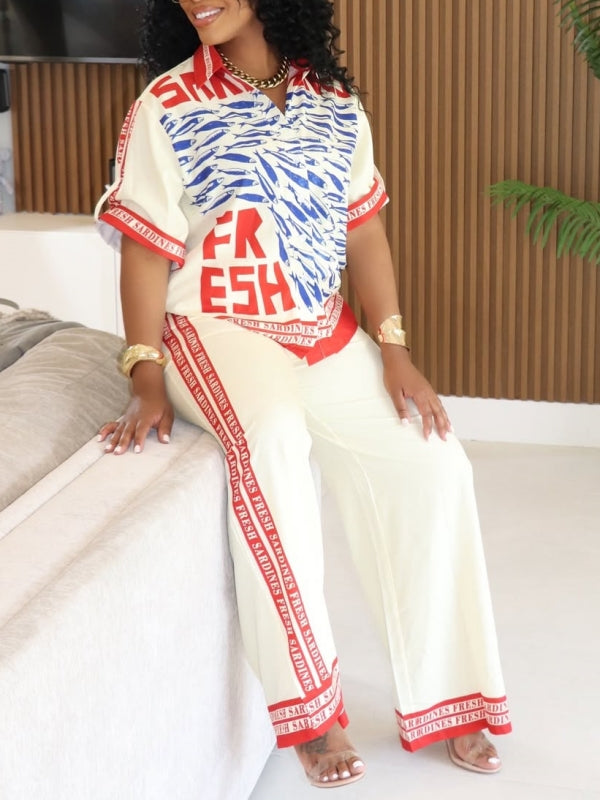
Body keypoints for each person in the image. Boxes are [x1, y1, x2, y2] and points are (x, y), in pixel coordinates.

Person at [96, 0, 511, 788]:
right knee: (275, 440)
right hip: (213, 324)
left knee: (433, 462)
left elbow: (364, 231)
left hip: (322, 325)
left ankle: (452, 698)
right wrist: (145, 374)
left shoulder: (335, 103)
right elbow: (145, 249)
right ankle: (314, 714)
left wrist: (395, 349)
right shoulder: (167, 103)